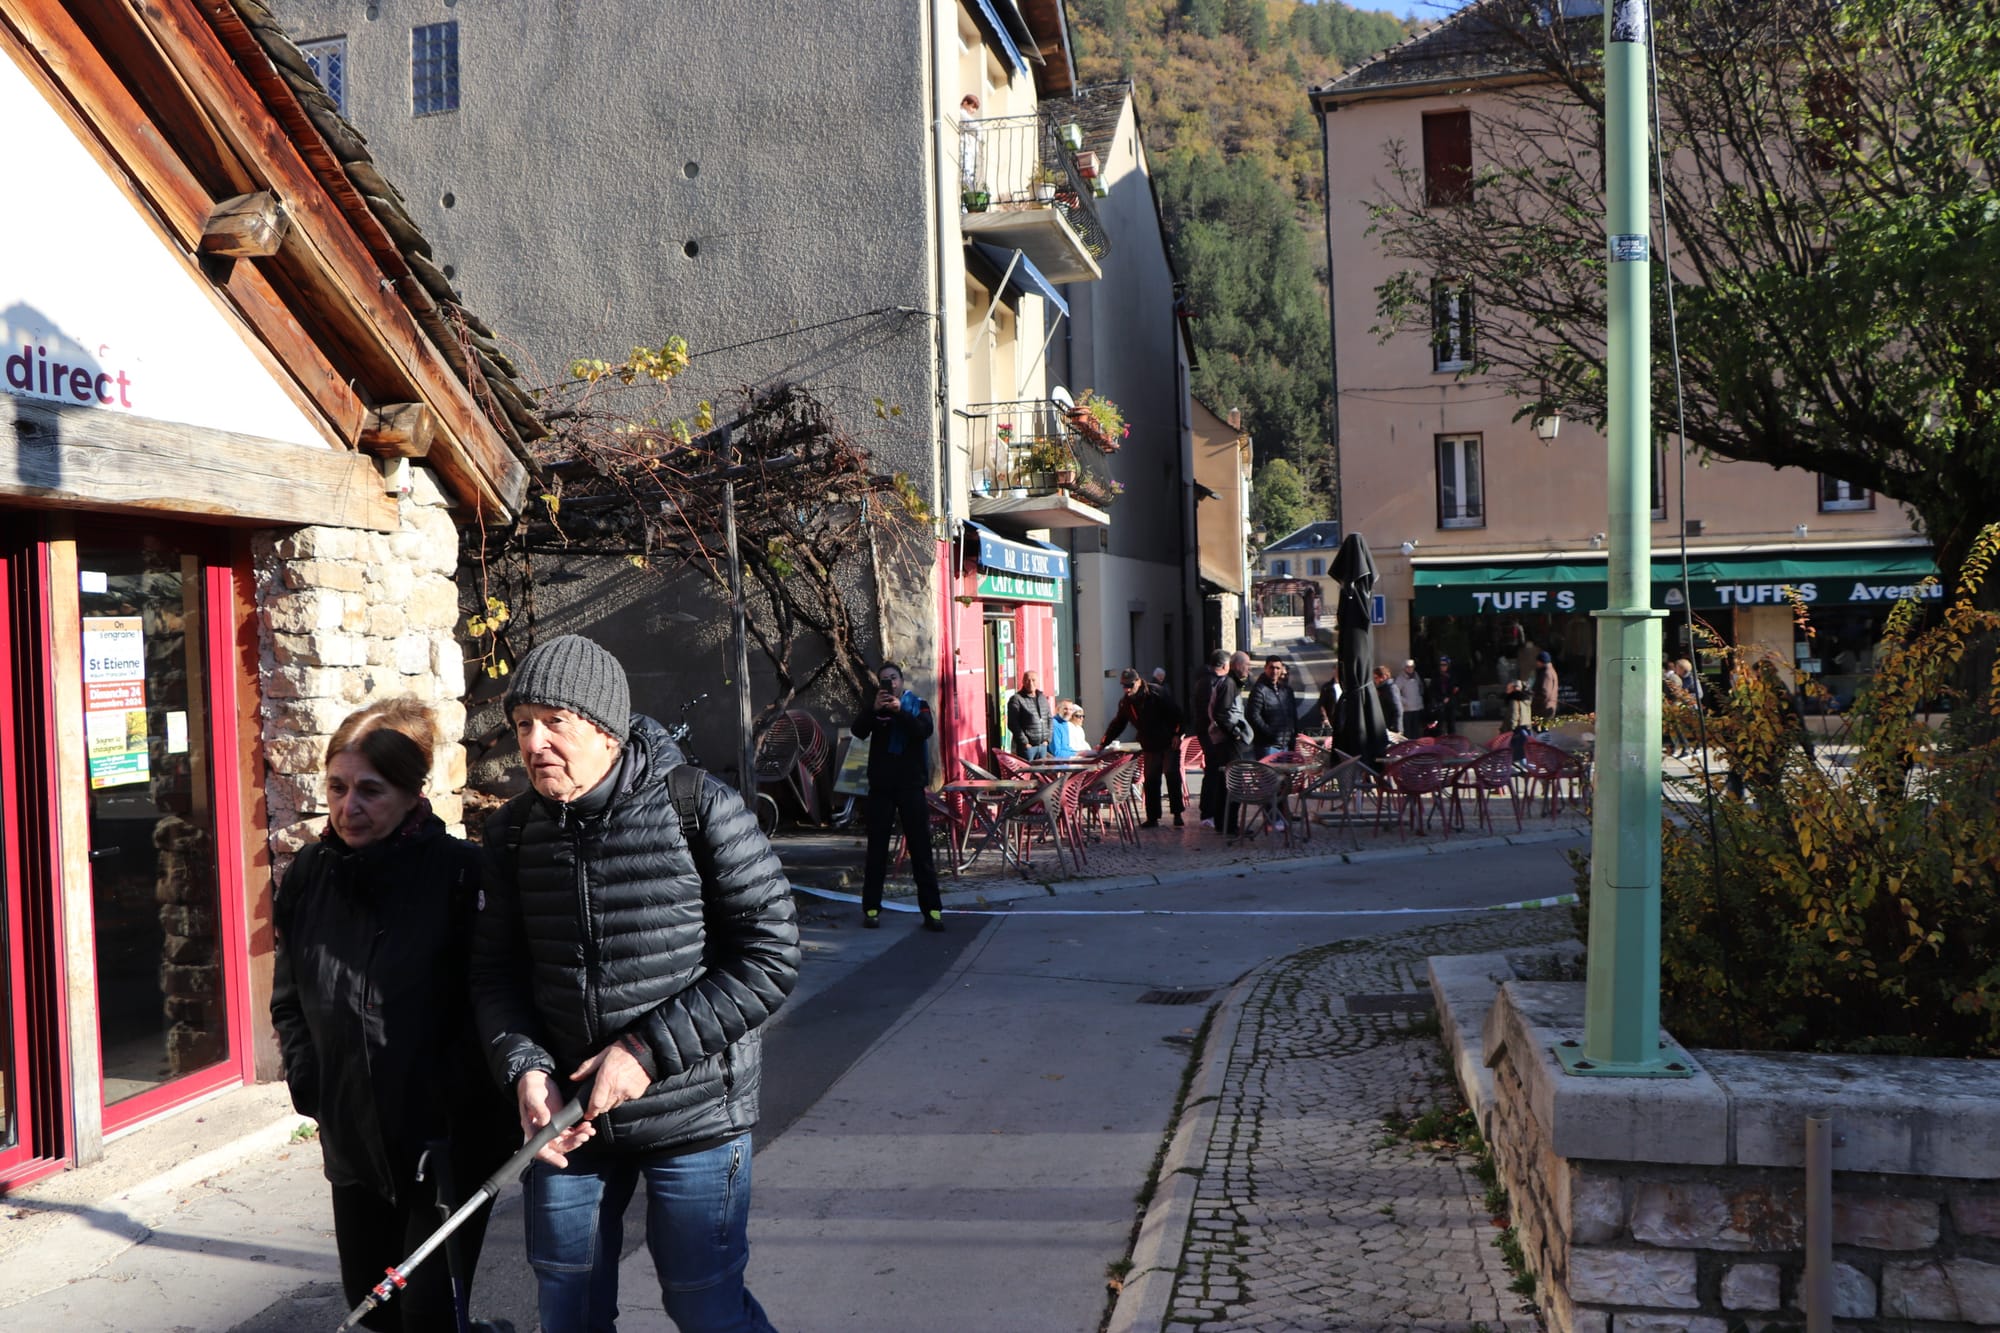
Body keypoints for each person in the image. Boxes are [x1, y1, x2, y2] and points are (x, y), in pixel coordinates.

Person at [470, 635, 800, 1333]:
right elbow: (496, 974)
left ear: (606, 728)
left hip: (695, 1115)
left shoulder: (698, 807)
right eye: (522, 723)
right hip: (570, 1122)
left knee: (703, 1304)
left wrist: (645, 1051)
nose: (533, 741)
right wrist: (525, 1068)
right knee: (567, 1310)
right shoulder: (512, 835)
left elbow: (769, 957)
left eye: (554, 720)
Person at [271, 698, 515, 1333]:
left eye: (370, 791)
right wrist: (313, 1084)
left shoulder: (463, 877)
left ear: (413, 794)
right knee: (370, 1310)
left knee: (427, 1315)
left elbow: (495, 999)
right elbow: (290, 995)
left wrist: (458, 1103)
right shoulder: (310, 873)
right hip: (351, 1138)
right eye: (338, 786)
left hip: (444, 1148)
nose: (349, 807)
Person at [852, 661, 945, 932]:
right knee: (877, 850)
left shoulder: (918, 705)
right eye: (884, 679)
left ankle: (932, 911)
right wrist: (874, 711)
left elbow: (922, 731)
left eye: (893, 678)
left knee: (920, 850)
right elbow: (859, 731)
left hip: (911, 787)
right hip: (881, 789)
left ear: (901, 681)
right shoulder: (875, 709)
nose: (890, 683)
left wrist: (901, 712)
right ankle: (871, 909)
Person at [1099, 667, 1185, 827]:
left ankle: (1177, 814)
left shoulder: (1157, 693)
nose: (1127, 689)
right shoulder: (1126, 702)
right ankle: (1152, 817)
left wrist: (1177, 734)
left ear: (1138, 681)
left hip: (1167, 741)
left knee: (1172, 776)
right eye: (1124, 686)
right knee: (1151, 780)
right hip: (1149, 743)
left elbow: (1177, 713)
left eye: (1130, 685)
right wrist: (1103, 743)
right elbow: (1118, 724)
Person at [1207, 651, 1254, 833]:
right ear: (1236, 665)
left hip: (1225, 740)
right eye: (1246, 665)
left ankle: (1223, 824)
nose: (1249, 668)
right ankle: (1230, 825)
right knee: (1234, 783)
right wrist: (1235, 734)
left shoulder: (1229, 683)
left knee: (1225, 783)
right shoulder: (1228, 684)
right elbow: (1221, 714)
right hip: (1229, 742)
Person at [1191, 650, 1232, 829]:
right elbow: (1213, 712)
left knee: (1212, 772)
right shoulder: (1213, 683)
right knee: (1214, 772)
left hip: (1204, 731)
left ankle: (1209, 811)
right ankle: (1209, 812)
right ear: (1224, 665)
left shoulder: (1202, 681)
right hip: (1211, 732)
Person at [1246, 657, 1298, 758]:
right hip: (1267, 747)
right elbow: (1253, 716)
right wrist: (1270, 733)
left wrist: (1293, 734)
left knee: (1285, 774)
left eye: (1278, 668)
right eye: (1271, 667)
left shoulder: (1286, 690)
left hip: (1286, 745)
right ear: (1265, 668)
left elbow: (1293, 715)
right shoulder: (1259, 690)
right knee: (1269, 774)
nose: (1274, 671)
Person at [1006, 670, 1054, 760]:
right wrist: (1025, 742)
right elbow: (1013, 723)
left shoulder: (1042, 698)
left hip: (1042, 746)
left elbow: (1050, 719)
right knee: (1028, 773)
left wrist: (1047, 740)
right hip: (1027, 748)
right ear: (1023, 682)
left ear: (1038, 681)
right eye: (1028, 680)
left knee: (1040, 773)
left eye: (1033, 680)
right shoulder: (1017, 699)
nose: (1030, 683)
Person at [1427, 654, 1461, 736]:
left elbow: (1456, 688)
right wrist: (1441, 698)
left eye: (1444, 665)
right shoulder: (1436, 675)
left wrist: (1449, 696)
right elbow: (1432, 690)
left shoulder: (1452, 675)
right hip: (1440, 703)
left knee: (1451, 724)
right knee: (1440, 725)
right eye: (1441, 665)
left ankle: (1451, 741)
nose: (1442, 667)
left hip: (1450, 702)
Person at [1392, 659, 1427, 736]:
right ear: (1404, 668)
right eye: (1408, 667)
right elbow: (1395, 692)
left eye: (1412, 667)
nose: (1410, 668)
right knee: (1408, 731)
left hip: (1417, 708)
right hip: (1407, 709)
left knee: (1416, 730)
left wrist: (1420, 696)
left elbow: (1420, 686)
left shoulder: (1416, 676)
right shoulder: (1400, 678)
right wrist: (1405, 701)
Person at [1372, 664, 1404, 736]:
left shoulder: (1391, 689)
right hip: (1383, 725)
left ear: (1384, 677)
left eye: (1376, 677)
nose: (1375, 680)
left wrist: (1396, 729)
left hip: (1391, 728)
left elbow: (1398, 709)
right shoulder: (1382, 688)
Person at [1531, 650, 1560, 727]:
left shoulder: (1546, 673)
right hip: (1547, 708)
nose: (1536, 663)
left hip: (1543, 710)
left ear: (1541, 661)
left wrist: (1534, 702)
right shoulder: (1551, 671)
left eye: (1538, 661)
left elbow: (1545, 693)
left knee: (1540, 734)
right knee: (1542, 734)